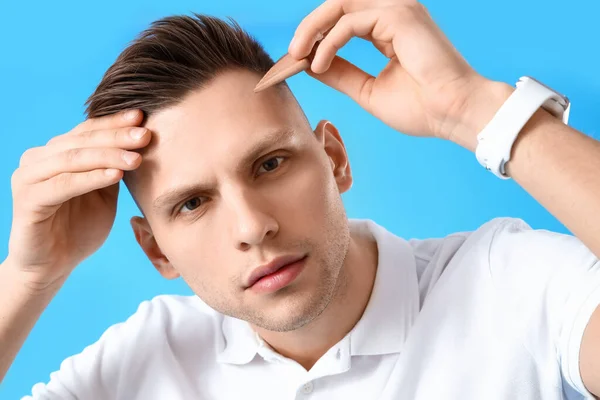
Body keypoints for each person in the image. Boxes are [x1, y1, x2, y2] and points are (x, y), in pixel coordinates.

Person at [1, 0, 599, 398]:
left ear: (334, 159)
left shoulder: (509, 282)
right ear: (157, 252)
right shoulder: (146, 359)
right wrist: (27, 277)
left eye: (269, 164)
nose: (253, 225)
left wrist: (475, 110)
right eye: (192, 203)